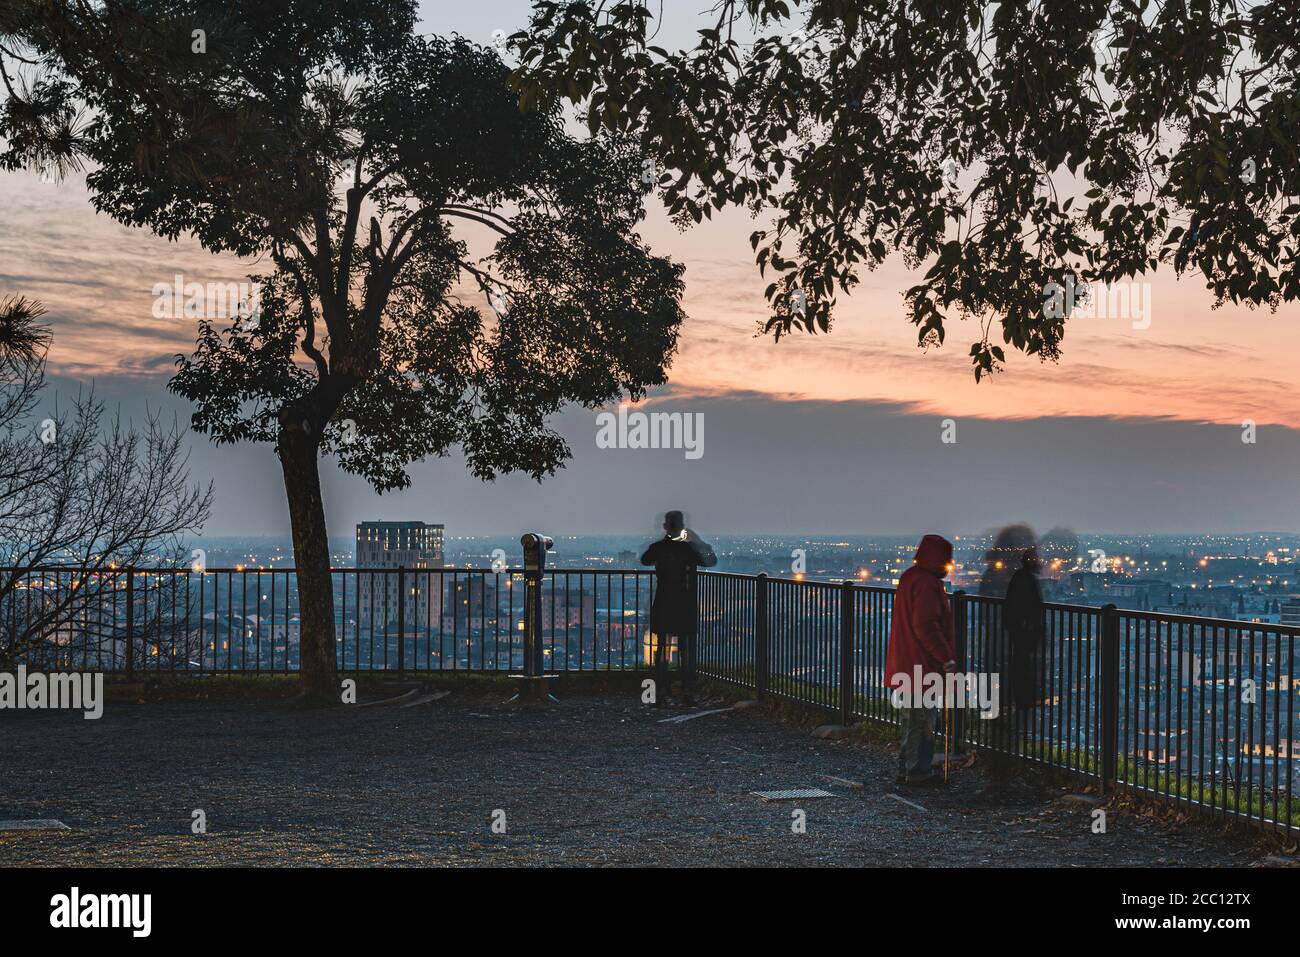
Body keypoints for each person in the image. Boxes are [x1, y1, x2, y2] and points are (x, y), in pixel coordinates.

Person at [885, 534, 957, 786]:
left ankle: (907, 768)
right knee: (922, 720)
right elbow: (926, 626)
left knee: (911, 719)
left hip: (905, 662)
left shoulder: (909, 578)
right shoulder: (927, 584)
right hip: (921, 666)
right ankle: (917, 771)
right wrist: (945, 657)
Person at [641, 511, 716, 705]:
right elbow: (710, 561)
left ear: (666, 526)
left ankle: (659, 693)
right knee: (686, 650)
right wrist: (697, 540)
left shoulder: (658, 548)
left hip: (664, 601)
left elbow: (645, 560)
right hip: (685, 603)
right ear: (682, 527)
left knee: (662, 650)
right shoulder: (688, 550)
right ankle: (687, 692)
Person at [1003, 546, 1045, 741]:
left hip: (1020, 637)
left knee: (1021, 675)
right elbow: (1030, 609)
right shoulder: (1026, 581)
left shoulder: (1019, 579)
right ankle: (1022, 724)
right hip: (1023, 638)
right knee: (1023, 677)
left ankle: (1020, 718)